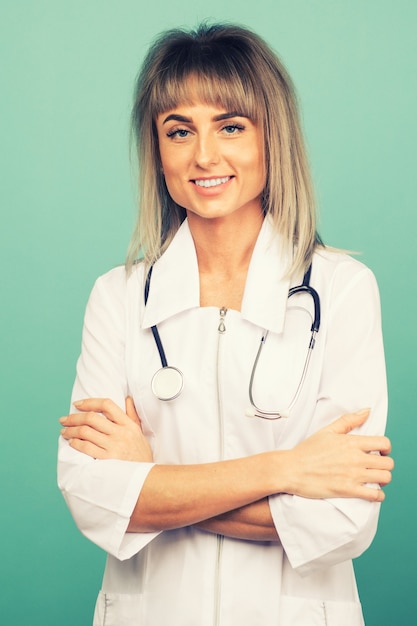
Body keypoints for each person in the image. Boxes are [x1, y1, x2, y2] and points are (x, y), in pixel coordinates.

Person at [57, 23, 393, 626]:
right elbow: (92, 498)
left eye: (231, 126)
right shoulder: (118, 297)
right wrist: (286, 470)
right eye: (179, 131)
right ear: (157, 151)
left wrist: (150, 484)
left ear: (273, 137)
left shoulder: (342, 291)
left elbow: (340, 520)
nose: (204, 156)